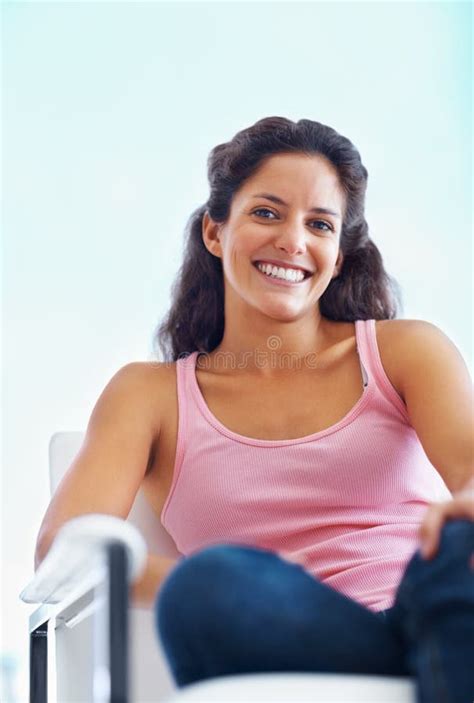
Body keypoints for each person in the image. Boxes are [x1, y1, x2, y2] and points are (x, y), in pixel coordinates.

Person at [34, 117, 474, 703]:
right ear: (215, 233)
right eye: (267, 213)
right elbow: (66, 547)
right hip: (294, 633)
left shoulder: (404, 351)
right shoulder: (149, 395)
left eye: (319, 224)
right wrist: (251, 581)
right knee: (209, 583)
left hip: (430, 606)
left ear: (338, 257)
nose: (293, 240)